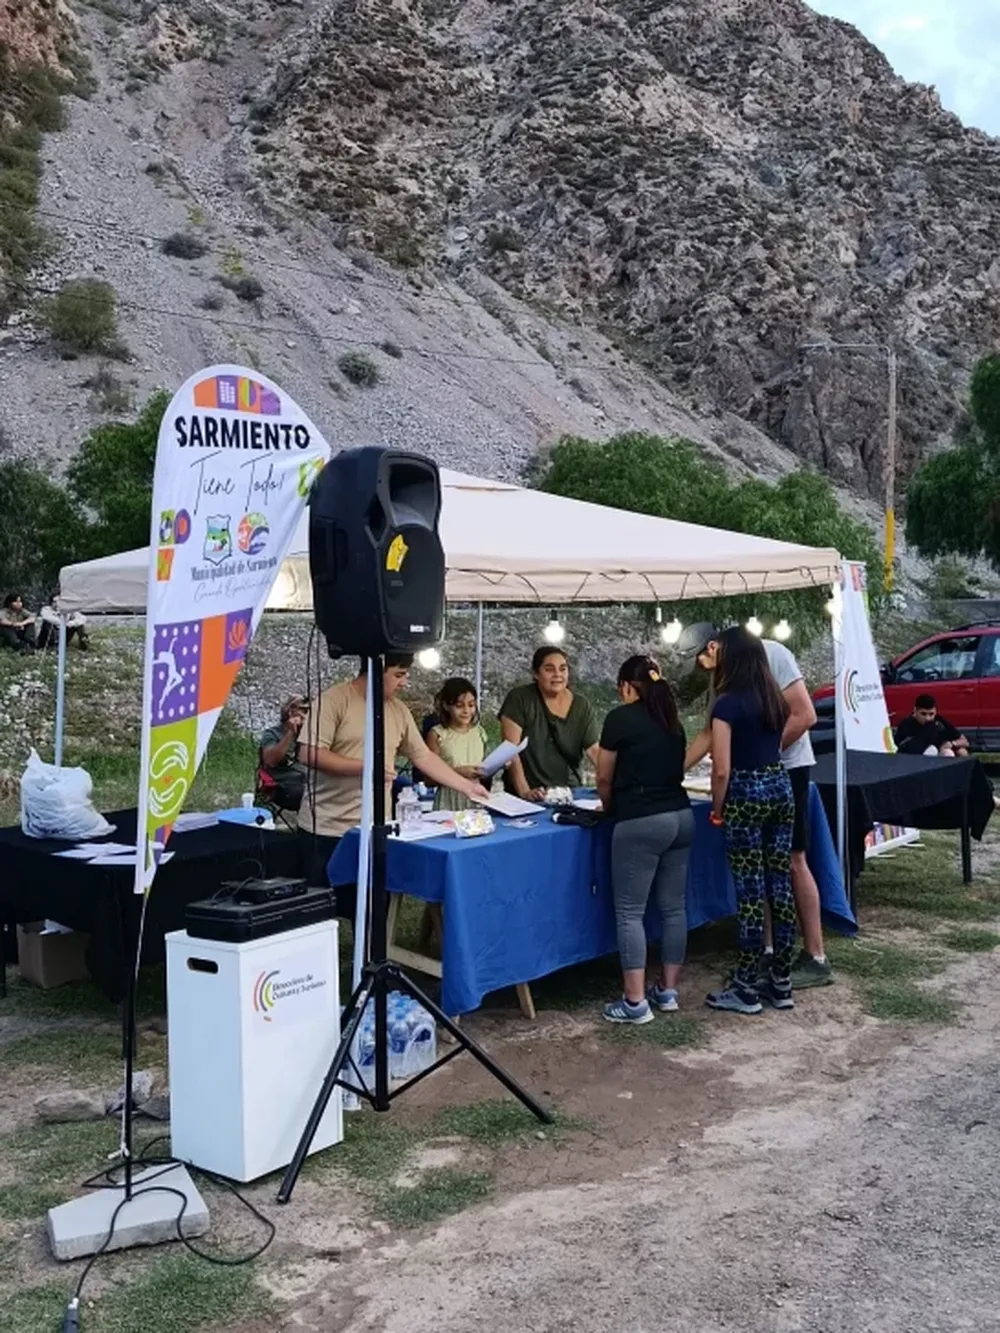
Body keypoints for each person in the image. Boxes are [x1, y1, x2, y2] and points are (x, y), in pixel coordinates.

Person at [680, 622, 833, 990]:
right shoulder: (726, 679)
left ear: (715, 647)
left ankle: (814, 955)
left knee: (790, 861)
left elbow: (805, 715)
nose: (701, 665)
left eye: (701, 656)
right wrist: (675, 770)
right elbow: (709, 732)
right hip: (763, 776)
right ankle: (769, 952)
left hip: (784, 769)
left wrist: (760, 753)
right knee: (764, 874)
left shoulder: (773, 655)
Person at [296, 654, 489, 917]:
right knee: (318, 914)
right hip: (327, 827)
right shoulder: (333, 700)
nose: (405, 682)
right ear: (376, 671)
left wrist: (466, 786)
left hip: (376, 825)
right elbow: (309, 753)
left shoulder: (398, 710)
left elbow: (422, 755)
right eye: (399, 675)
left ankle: (368, 958)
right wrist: (366, 768)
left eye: (405, 675)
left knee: (374, 910)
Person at [596, 655, 695, 1025]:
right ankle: (667, 991)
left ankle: (635, 1002)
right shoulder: (672, 721)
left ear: (626, 686)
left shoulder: (620, 718)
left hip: (641, 820)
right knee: (673, 908)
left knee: (629, 912)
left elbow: (604, 778)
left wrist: (608, 808)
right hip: (682, 817)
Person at [703, 626, 796, 1015]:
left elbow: (721, 769)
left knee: (750, 891)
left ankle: (745, 984)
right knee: (780, 883)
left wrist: (718, 809)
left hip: (744, 794)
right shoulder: (774, 698)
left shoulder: (726, 705)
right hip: (780, 786)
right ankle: (781, 980)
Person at [498, 647, 601, 798]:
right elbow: (510, 751)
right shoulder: (519, 699)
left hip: (568, 793)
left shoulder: (582, 705)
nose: (557, 675)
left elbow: (595, 752)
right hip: (528, 795)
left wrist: (615, 786)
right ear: (536, 674)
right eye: (549, 669)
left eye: (563, 669)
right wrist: (525, 792)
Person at [426, 677, 488, 811]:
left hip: (475, 797)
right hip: (448, 800)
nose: (466, 711)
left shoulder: (479, 732)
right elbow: (429, 780)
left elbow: (483, 768)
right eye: (459, 706)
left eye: (471, 705)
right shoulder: (437, 734)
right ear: (446, 706)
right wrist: (457, 773)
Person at [257, 695, 309, 811]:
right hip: (281, 785)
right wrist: (291, 733)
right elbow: (271, 761)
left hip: (305, 780)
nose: (308, 715)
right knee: (310, 795)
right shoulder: (272, 734)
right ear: (291, 712)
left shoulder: (307, 734)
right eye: (305, 711)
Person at [895, 694, 969, 758]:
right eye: (923, 714)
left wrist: (952, 744)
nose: (928, 718)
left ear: (935, 711)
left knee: (960, 752)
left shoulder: (939, 721)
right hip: (915, 758)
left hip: (939, 755)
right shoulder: (906, 725)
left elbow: (965, 741)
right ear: (915, 710)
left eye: (931, 714)